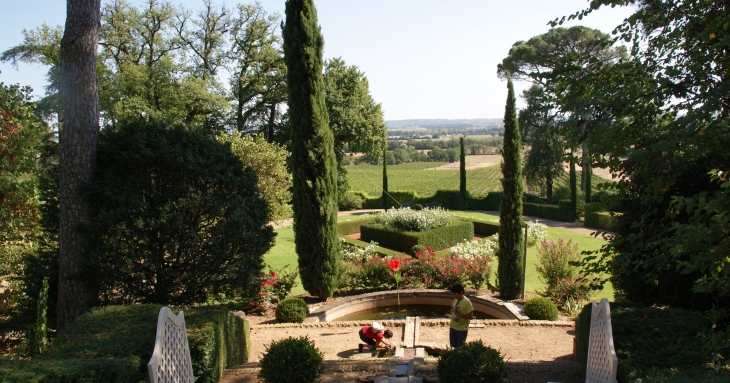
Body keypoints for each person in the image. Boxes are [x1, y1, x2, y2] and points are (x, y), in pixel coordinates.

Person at [449, 283, 474, 348]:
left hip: (461, 330)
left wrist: (458, 314)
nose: (454, 296)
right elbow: (453, 307)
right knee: (452, 346)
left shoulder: (467, 302)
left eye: (455, 294)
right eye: (453, 294)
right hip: (453, 327)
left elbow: (470, 316)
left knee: (459, 349)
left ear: (461, 293)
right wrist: (451, 310)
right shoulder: (456, 299)